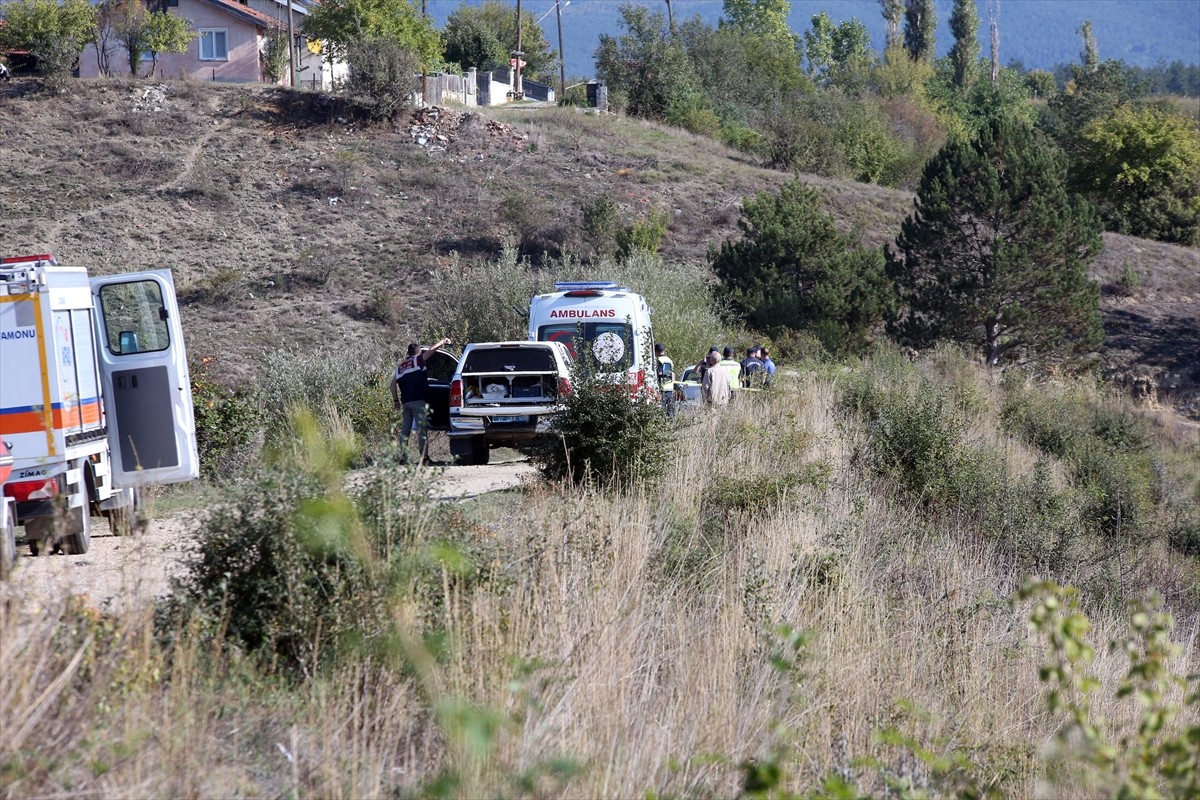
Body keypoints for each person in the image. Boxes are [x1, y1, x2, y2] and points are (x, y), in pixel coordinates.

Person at [390, 336, 452, 463]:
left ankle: (403, 458)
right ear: (418, 352)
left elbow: (392, 385)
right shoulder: (417, 360)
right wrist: (442, 341)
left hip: (406, 402)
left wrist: (396, 401)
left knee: (405, 430)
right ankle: (424, 458)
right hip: (418, 401)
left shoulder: (400, 367)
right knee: (421, 430)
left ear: (408, 353)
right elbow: (431, 350)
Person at [654, 342, 676, 417]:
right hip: (670, 387)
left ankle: (662, 423)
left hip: (662, 387)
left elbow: (659, 373)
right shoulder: (669, 360)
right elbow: (672, 374)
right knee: (670, 409)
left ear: (656, 351)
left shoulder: (658, 360)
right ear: (664, 350)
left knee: (662, 408)